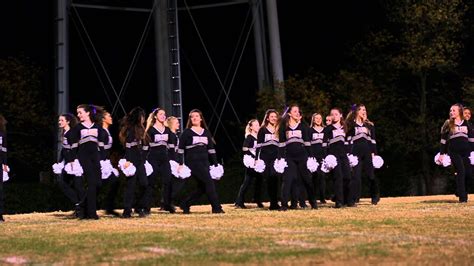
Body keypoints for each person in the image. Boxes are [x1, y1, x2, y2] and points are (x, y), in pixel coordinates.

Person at [177, 109, 224, 214]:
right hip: (193, 162)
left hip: (205, 162)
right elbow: (180, 150)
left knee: (203, 187)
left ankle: (185, 203)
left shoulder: (206, 132)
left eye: (197, 116)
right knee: (209, 182)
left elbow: (211, 150)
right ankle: (217, 208)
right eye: (192, 116)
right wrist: (181, 163)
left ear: (201, 118)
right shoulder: (187, 132)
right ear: (190, 119)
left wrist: (216, 164)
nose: (194, 118)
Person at [68, 104, 108, 219]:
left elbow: (102, 144)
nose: (78, 115)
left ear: (88, 113)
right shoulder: (78, 128)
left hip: (95, 157)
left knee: (98, 183)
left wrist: (104, 158)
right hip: (83, 157)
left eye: (80, 112)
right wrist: (72, 159)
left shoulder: (97, 127)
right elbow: (73, 145)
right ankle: (91, 213)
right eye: (78, 113)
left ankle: (82, 205)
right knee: (91, 183)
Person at [278, 104, 317, 211]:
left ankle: (313, 203)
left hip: (302, 156)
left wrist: (311, 157)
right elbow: (281, 144)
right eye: (295, 111)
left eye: (298, 111)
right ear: (289, 113)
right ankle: (284, 205)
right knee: (287, 180)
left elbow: (307, 143)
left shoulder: (303, 126)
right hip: (289, 157)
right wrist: (280, 158)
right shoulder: (284, 126)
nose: (297, 113)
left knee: (307, 179)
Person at [143, 108, 177, 213]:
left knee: (168, 180)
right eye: (161, 114)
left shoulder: (167, 130)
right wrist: (143, 160)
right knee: (151, 182)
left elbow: (171, 146)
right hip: (153, 158)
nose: (163, 116)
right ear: (155, 116)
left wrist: (173, 160)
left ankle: (167, 204)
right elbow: (145, 147)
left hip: (164, 159)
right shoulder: (150, 130)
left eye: (164, 114)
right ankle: (146, 206)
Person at [438, 103, 473, 203]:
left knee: (469, 174)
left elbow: (471, 139)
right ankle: (463, 198)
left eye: (454, 110)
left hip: (466, 153)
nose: (451, 112)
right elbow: (443, 140)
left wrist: (473, 152)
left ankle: (459, 190)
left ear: (459, 111)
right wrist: (441, 153)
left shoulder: (467, 123)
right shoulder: (448, 123)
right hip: (454, 152)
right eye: (450, 111)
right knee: (461, 171)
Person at [346, 104, 380, 205]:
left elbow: (373, 141)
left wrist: (374, 153)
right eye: (361, 110)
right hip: (355, 153)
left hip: (367, 152)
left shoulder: (369, 125)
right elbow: (347, 140)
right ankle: (352, 199)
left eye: (365, 110)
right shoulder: (351, 124)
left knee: (370, 175)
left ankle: (375, 196)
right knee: (355, 176)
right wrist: (348, 154)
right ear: (356, 112)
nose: (363, 111)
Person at [119, 107, 150, 218]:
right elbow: (128, 147)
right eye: (142, 116)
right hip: (132, 162)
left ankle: (138, 207)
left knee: (144, 184)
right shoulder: (131, 129)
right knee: (130, 187)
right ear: (139, 117)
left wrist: (144, 159)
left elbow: (145, 147)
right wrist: (128, 160)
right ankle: (127, 211)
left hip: (140, 162)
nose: (144, 119)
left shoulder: (142, 129)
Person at [323, 108, 354, 208]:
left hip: (344, 155)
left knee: (347, 177)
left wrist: (349, 154)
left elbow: (348, 142)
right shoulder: (328, 129)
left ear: (341, 115)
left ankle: (347, 199)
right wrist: (326, 158)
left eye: (336, 114)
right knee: (338, 177)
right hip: (333, 156)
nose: (334, 116)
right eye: (332, 114)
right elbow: (324, 144)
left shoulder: (344, 127)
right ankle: (339, 202)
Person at [56, 113, 85, 217]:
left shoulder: (71, 133)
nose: (60, 122)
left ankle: (82, 207)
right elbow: (64, 150)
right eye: (59, 120)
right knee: (63, 183)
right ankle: (79, 205)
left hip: (75, 164)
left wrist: (73, 161)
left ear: (68, 121)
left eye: (62, 120)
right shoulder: (65, 133)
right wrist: (60, 162)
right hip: (68, 163)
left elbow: (75, 148)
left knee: (78, 186)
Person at [256, 109, 281, 210]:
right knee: (269, 180)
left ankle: (275, 203)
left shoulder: (279, 129)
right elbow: (258, 145)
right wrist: (256, 159)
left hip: (276, 157)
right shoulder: (262, 129)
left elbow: (282, 144)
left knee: (275, 178)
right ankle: (273, 203)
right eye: (272, 116)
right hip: (265, 158)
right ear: (267, 118)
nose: (274, 118)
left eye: (275, 117)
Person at [235, 119, 263, 208]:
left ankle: (257, 199)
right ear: (251, 127)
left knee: (259, 181)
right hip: (251, 162)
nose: (257, 126)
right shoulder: (249, 137)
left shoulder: (260, 136)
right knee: (247, 182)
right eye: (255, 125)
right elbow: (244, 148)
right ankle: (239, 202)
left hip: (259, 162)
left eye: (258, 125)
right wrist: (253, 154)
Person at [99, 110, 120, 217]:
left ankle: (109, 207)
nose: (111, 118)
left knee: (114, 182)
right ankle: (82, 207)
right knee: (97, 186)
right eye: (108, 116)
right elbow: (100, 149)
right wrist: (103, 164)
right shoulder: (102, 132)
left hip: (106, 162)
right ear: (103, 119)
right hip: (100, 163)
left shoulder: (106, 131)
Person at [309, 113, 327, 204]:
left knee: (322, 177)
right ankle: (313, 197)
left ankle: (322, 197)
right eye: (316, 118)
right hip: (314, 156)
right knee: (314, 177)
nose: (318, 120)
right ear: (313, 119)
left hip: (323, 156)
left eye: (320, 118)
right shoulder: (310, 130)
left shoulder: (325, 130)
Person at [0, 115, 8, 222]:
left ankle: (0, 214)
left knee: (0, 190)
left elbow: (4, 150)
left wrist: (5, 164)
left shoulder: (2, 134)